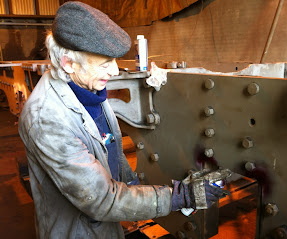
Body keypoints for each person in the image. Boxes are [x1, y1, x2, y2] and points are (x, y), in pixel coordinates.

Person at [18, 2, 225, 238]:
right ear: (68, 63)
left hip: (104, 226)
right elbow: (100, 199)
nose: (115, 71)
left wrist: (134, 186)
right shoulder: (47, 119)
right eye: (105, 64)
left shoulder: (89, 90)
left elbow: (112, 150)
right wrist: (179, 197)